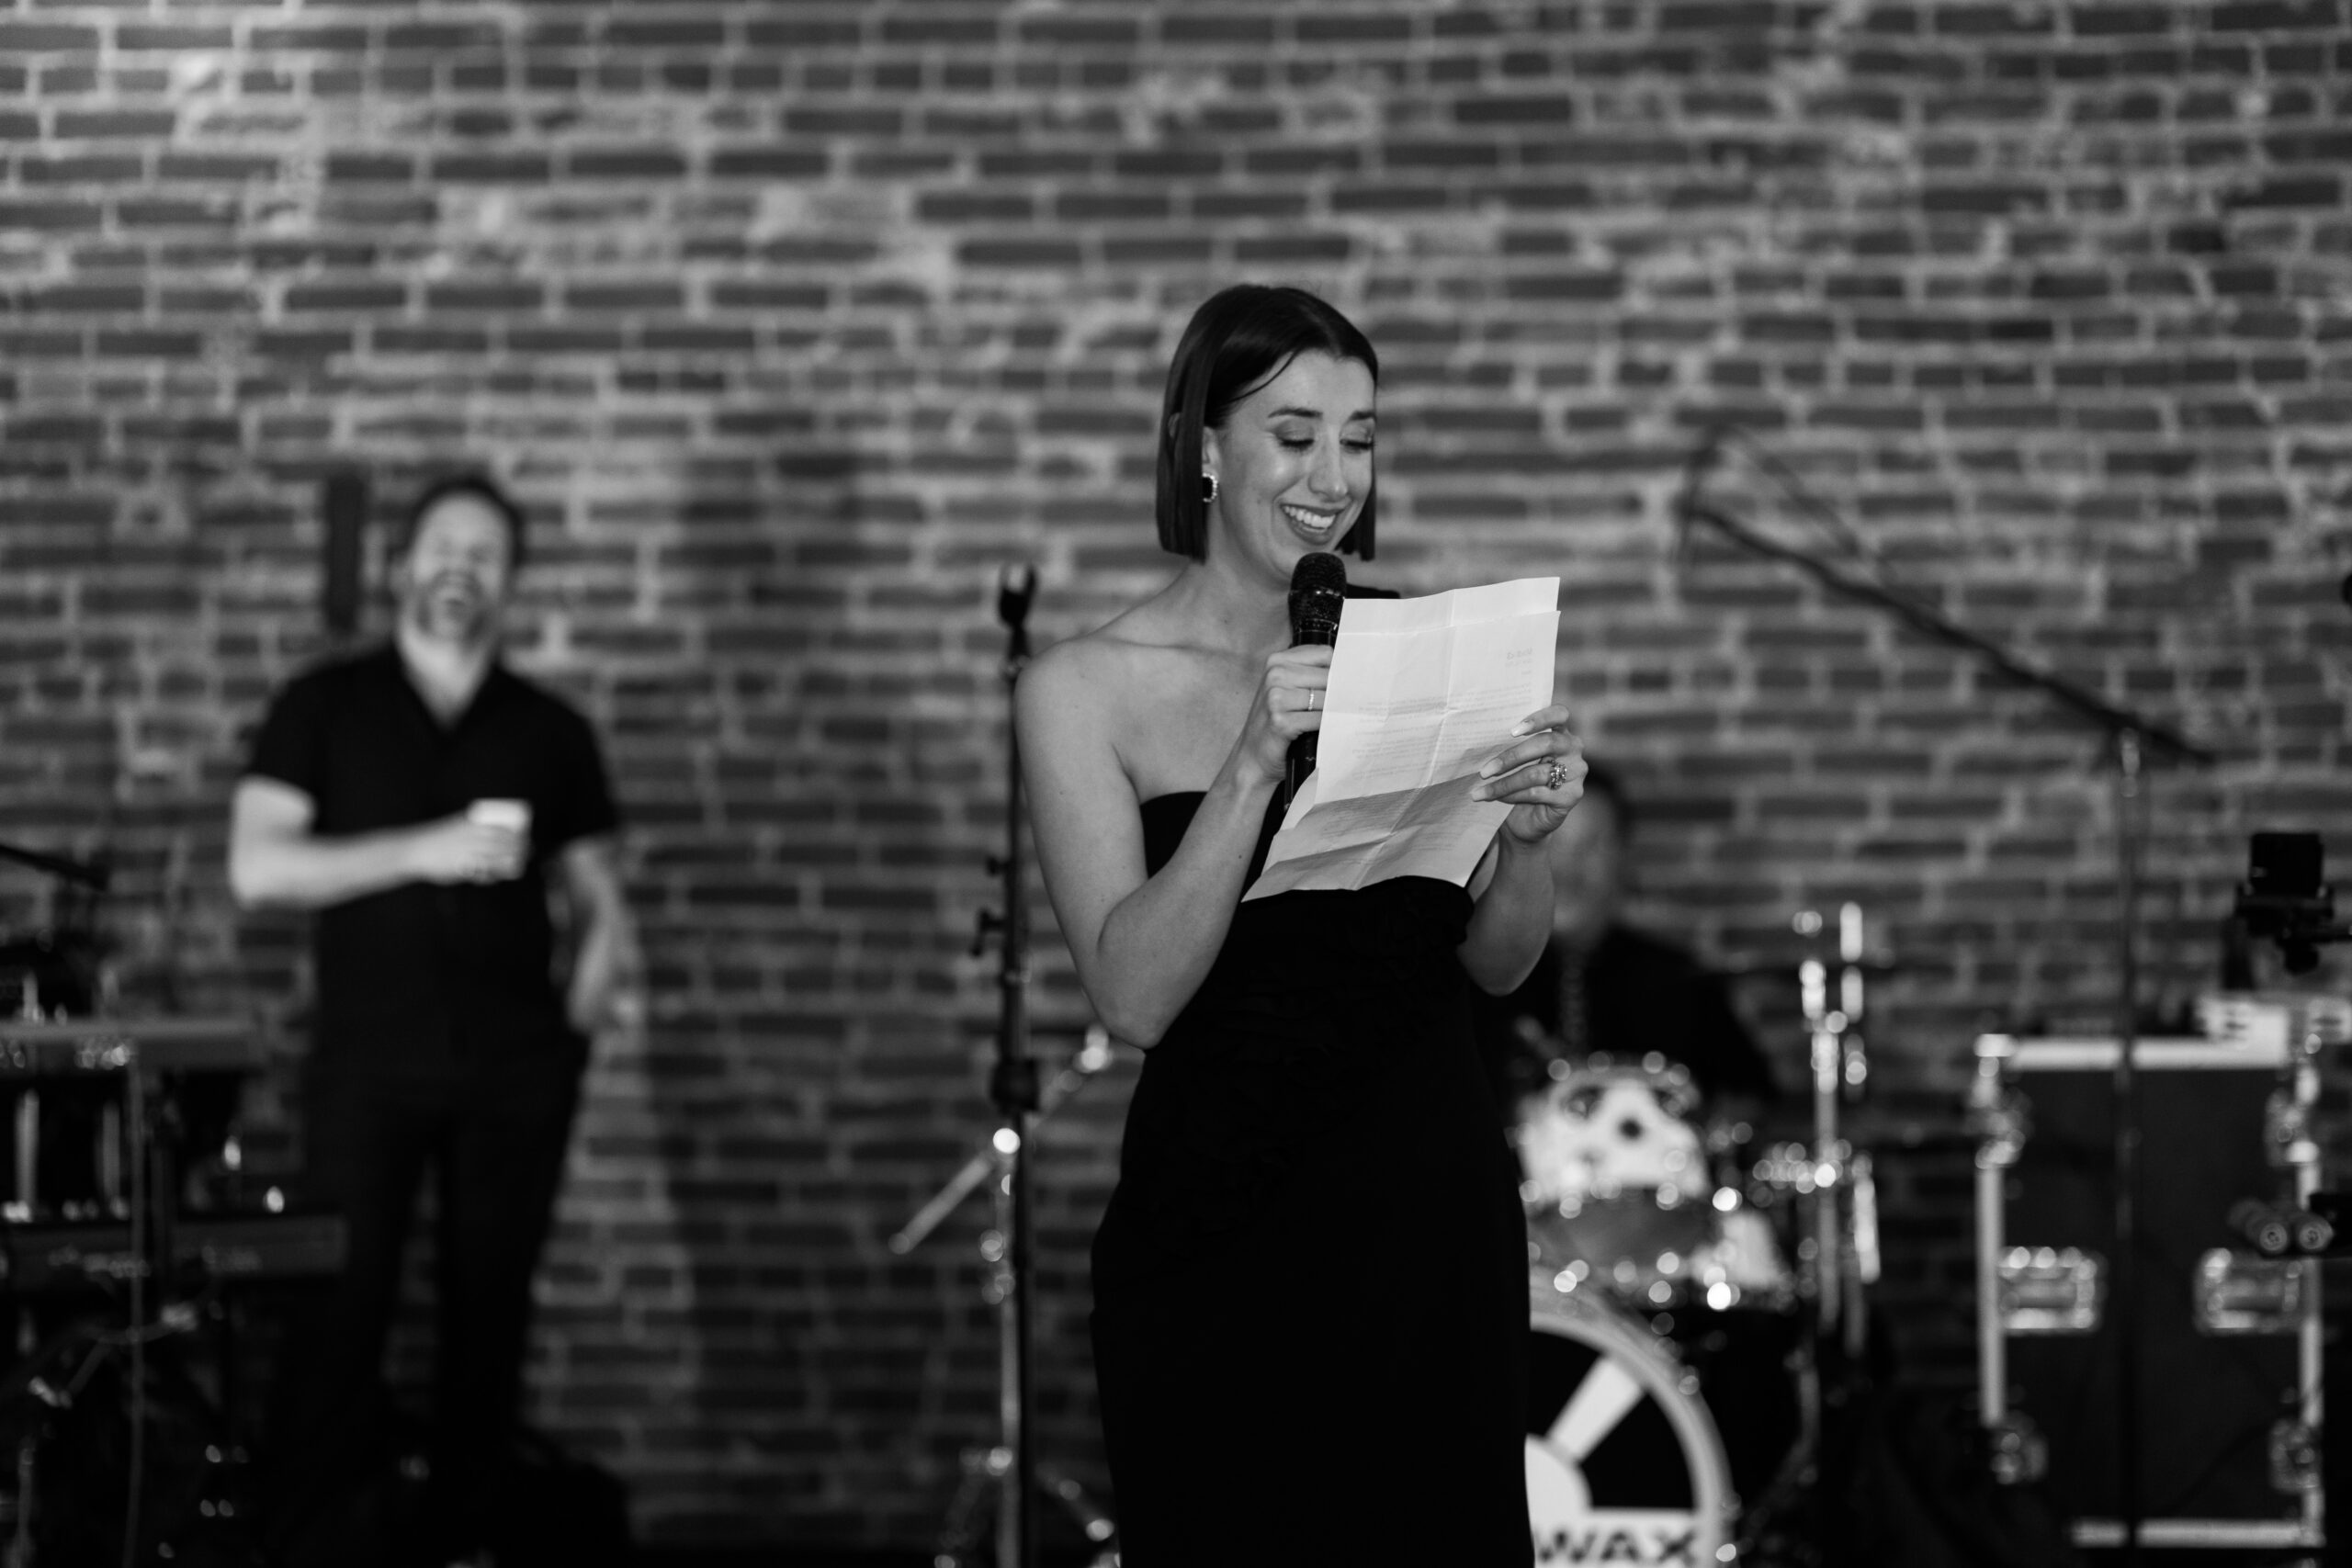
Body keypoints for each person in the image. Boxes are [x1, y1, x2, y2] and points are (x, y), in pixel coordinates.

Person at [1018, 285, 1584, 1564]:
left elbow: (1497, 963)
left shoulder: (1420, 645)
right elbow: (1134, 997)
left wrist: (1528, 843)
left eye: (1360, 438)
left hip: (1427, 1210)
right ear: (1204, 449)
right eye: (1295, 435)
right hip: (1220, 1224)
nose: (1334, 478)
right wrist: (1252, 761)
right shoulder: (1082, 688)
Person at [230, 474, 639, 1568]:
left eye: (486, 555)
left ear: (510, 584)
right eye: (444, 547)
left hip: (516, 1069)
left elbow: (598, 897)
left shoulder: (549, 730)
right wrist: (427, 848)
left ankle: (465, 1547)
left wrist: (581, 1016)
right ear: (402, 566)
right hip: (366, 1064)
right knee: (336, 1313)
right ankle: (307, 1547)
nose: (462, 567)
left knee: (488, 1323)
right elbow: (257, 868)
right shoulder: (322, 705)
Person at [1475, 760, 1778, 1123]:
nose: (1569, 868)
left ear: (1624, 856)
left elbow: (1749, 1102)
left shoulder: (1679, 981)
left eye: (1591, 846)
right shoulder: (1480, 980)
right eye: (1554, 842)